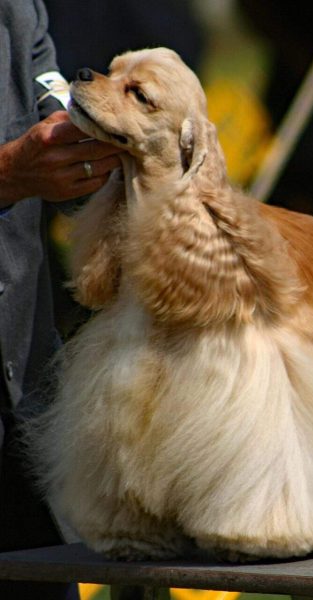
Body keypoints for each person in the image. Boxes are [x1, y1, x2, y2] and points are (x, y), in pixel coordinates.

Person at [0, 1, 121, 598]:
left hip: (23, 404)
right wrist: (7, 175)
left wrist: (94, 140)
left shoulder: (22, 6)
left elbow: (53, 91)